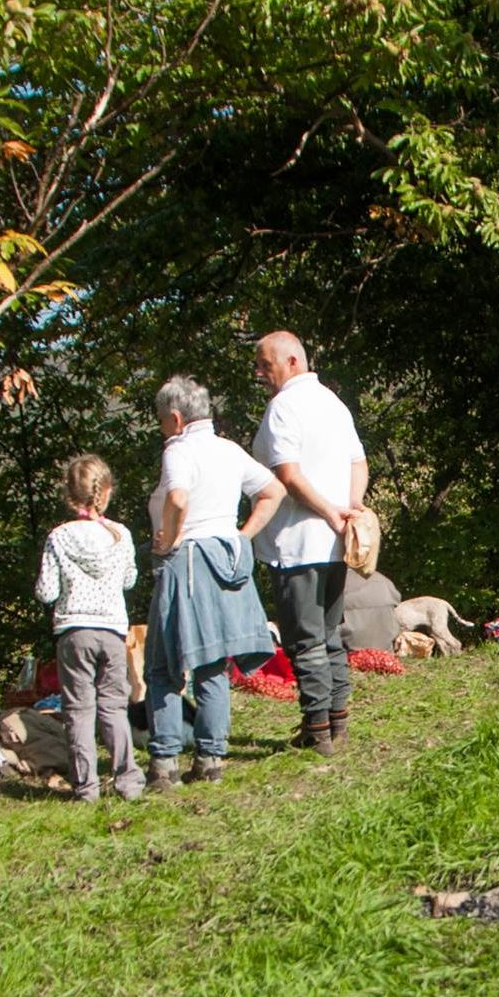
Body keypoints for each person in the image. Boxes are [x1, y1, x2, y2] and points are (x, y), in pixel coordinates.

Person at [147, 375, 285, 787]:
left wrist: (169, 539)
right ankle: (210, 759)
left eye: (160, 420)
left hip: (186, 562)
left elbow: (177, 497)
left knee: (162, 665)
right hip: (226, 558)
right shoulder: (229, 450)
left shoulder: (179, 450)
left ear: (174, 418)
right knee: (212, 663)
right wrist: (242, 534)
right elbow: (273, 491)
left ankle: (164, 763)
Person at [253, 332, 369, 756]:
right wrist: (350, 507)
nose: (260, 374)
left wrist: (331, 511)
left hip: (296, 545)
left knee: (304, 640)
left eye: (266, 365)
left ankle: (317, 731)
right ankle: (337, 723)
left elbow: (289, 475)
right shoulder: (333, 403)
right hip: (335, 544)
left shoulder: (283, 408)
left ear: (292, 362)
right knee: (329, 634)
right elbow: (359, 461)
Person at [35, 454, 146, 804]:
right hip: (112, 630)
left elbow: (46, 591)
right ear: (107, 492)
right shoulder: (120, 535)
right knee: (113, 706)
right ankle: (127, 779)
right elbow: (130, 580)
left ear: (69, 495)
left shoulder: (59, 537)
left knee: (79, 711)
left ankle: (86, 787)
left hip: (74, 631)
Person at [341, 568, 403, 653]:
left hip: (348, 649)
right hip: (386, 649)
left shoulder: (336, 580)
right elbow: (397, 600)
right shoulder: (382, 579)